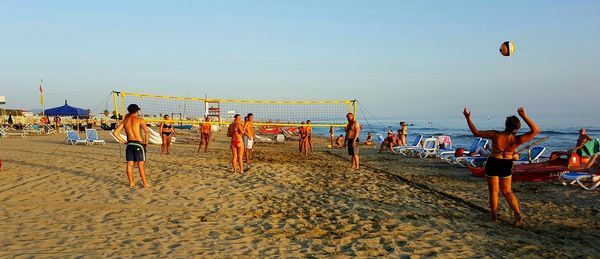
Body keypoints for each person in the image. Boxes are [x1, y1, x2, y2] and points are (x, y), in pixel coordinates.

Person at [463, 107, 540, 226]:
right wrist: (524, 116)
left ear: (506, 125)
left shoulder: (496, 135)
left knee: (494, 192)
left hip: (494, 162)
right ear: (517, 128)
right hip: (506, 163)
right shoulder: (517, 139)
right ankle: (517, 214)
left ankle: (494, 219)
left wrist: (468, 118)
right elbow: (535, 130)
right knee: (507, 191)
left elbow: (476, 133)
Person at [113, 104, 151, 188]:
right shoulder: (140, 120)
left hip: (130, 144)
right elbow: (147, 131)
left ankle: (131, 183)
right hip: (139, 144)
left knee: (129, 164)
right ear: (137, 111)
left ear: (129, 111)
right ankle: (145, 183)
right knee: (140, 165)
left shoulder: (125, 121)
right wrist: (146, 142)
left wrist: (124, 142)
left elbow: (115, 133)